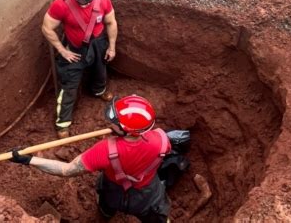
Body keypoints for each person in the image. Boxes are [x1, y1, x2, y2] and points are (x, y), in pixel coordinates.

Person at [10, 95, 171, 223]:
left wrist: (29, 160)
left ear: (128, 131)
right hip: (148, 195)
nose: (109, 122)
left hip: (112, 191)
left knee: (106, 205)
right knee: (157, 216)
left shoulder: (105, 150)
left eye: (114, 122)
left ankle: (105, 214)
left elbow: (66, 170)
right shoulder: (162, 140)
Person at [42, 0, 118, 138]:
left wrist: (111, 47)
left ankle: (98, 91)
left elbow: (111, 23)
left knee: (100, 71)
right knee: (69, 84)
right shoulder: (61, 5)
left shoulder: (103, 1)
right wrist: (62, 50)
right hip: (74, 49)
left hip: (98, 43)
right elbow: (47, 28)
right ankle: (63, 123)